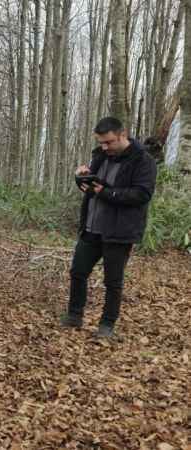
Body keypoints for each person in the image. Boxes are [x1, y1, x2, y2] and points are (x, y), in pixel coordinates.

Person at [61, 116, 157, 338]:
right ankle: (74, 316)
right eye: (101, 142)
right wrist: (81, 177)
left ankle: (107, 326)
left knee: (112, 281)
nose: (104, 147)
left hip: (119, 231)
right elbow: (92, 184)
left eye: (108, 142)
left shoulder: (143, 160)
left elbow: (142, 194)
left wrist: (104, 192)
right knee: (78, 272)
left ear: (122, 135)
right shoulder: (101, 155)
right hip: (92, 226)